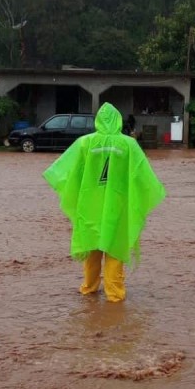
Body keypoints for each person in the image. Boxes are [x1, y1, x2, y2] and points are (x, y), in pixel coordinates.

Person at [43, 102, 165, 302]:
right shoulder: (129, 145)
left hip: (89, 205)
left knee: (92, 247)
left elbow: (66, 172)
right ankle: (114, 296)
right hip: (117, 206)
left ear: (98, 120)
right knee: (115, 248)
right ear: (118, 120)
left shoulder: (84, 143)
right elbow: (143, 178)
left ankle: (89, 289)